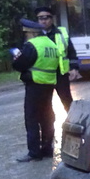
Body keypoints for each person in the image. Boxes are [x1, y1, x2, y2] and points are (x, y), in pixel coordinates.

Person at [11, 19, 59, 162]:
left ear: (32, 33)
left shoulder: (32, 45)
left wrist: (15, 57)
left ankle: (34, 153)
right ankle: (47, 148)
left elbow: (20, 65)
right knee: (47, 117)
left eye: (26, 33)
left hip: (35, 84)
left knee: (31, 118)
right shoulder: (52, 44)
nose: (25, 36)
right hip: (49, 84)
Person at [34, 6, 79, 111]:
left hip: (60, 74)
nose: (44, 21)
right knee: (45, 105)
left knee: (67, 102)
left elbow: (71, 52)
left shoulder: (61, 33)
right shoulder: (34, 35)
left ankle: (74, 124)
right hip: (43, 76)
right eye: (41, 18)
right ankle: (49, 127)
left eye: (46, 18)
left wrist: (74, 68)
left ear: (52, 19)